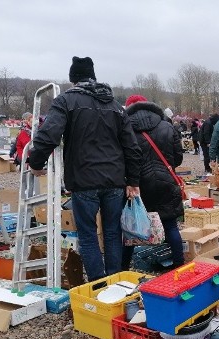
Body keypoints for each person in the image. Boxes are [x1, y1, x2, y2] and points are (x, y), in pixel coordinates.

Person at [28, 56, 142, 282]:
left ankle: (98, 284)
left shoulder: (66, 101)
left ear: (73, 79)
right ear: (93, 76)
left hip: (83, 180)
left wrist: (36, 162)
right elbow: (132, 147)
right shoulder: (115, 106)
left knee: (88, 235)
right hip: (114, 180)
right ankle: (114, 280)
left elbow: (48, 135)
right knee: (112, 233)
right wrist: (133, 181)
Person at [122, 94, 184, 270]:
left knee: (130, 226)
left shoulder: (126, 128)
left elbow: (123, 158)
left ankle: (123, 267)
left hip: (138, 184)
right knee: (171, 225)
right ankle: (179, 265)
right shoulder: (166, 125)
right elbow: (178, 157)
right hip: (166, 180)